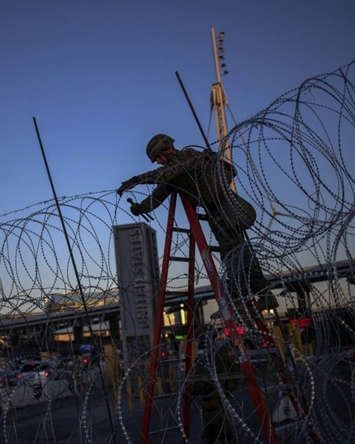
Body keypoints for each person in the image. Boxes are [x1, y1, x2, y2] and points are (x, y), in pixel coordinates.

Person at [117, 134, 278, 313]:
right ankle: (260, 296)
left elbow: (165, 174)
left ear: (167, 149)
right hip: (216, 213)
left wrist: (135, 180)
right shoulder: (172, 172)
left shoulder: (189, 156)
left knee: (233, 253)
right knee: (237, 251)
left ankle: (241, 298)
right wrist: (142, 207)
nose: (159, 162)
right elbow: (159, 193)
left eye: (158, 157)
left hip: (224, 208)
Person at [192, 325, 241, 444]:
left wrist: (190, 392)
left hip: (213, 401)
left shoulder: (208, 358)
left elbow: (200, 382)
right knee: (223, 433)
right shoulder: (221, 352)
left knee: (216, 435)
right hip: (221, 399)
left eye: (200, 339)